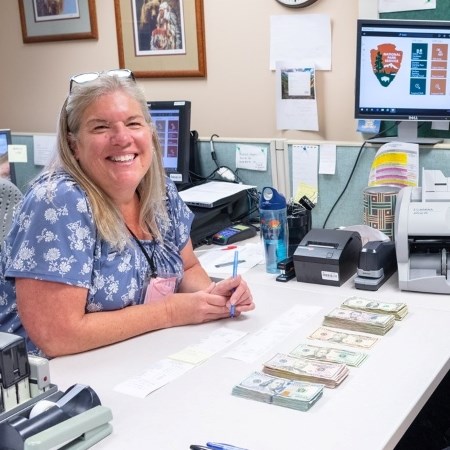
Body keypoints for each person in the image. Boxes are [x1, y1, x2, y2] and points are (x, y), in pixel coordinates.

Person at [0, 69, 255, 358]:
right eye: (100, 127)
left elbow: (187, 269)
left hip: (132, 356)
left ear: (150, 132)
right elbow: (58, 336)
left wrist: (214, 296)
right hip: (50, 381)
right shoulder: (59, 202)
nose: (122, 138)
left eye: (133, 123)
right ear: (74, 144)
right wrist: (170, 311)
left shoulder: (159, 190)